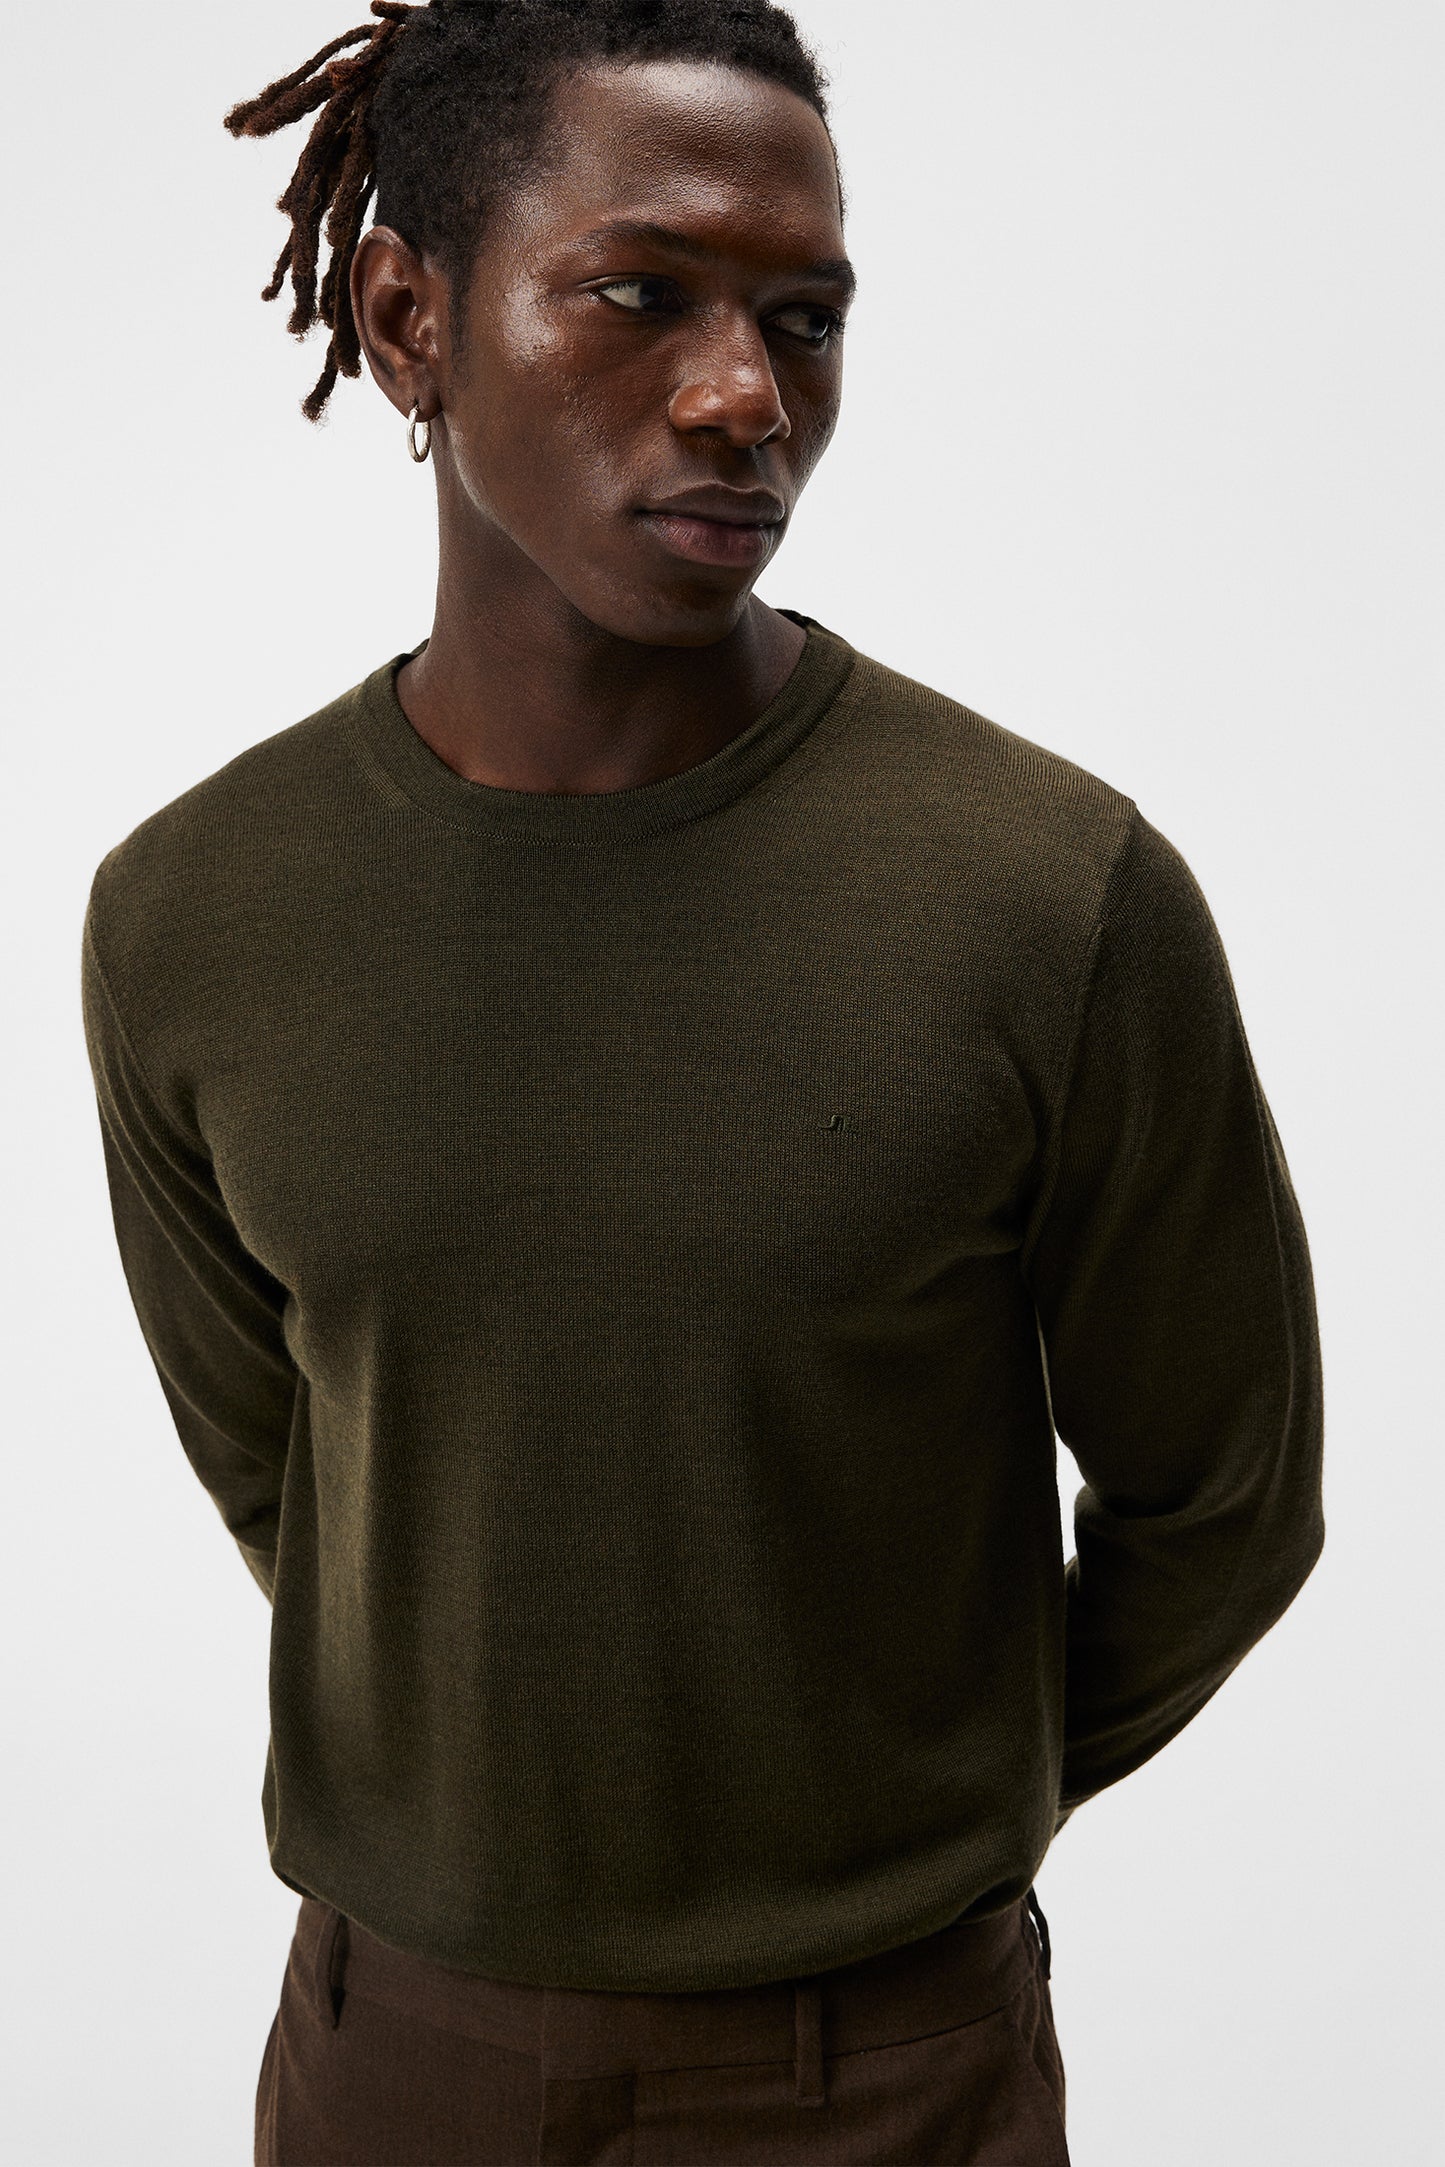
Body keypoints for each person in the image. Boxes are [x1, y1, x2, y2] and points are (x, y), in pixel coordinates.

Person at [79, 3, 1326, 2161]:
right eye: (641, 293)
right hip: (393, 2061)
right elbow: (286, 1467)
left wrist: (897, 1811)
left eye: (804, 320)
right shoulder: (193, 911)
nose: (747, 395)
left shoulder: (1049, 894)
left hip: (888, 2075)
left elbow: (1223, 1500)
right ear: (408, 317)